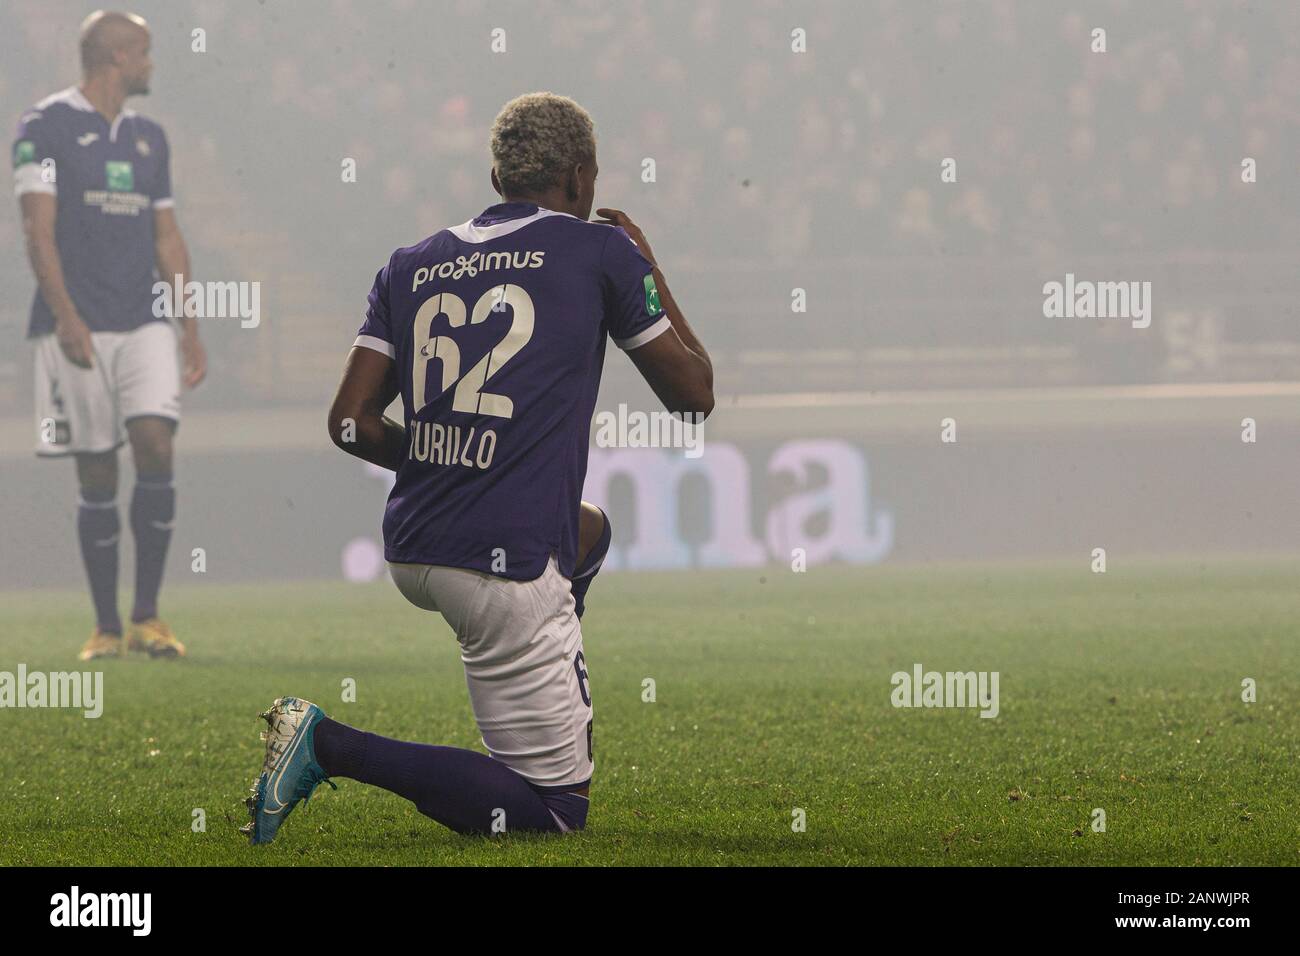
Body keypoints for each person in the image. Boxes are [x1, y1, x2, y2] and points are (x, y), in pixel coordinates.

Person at [243, 91, 712, 842]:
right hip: (502, 571)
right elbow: (695, 395)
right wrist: (649, 267)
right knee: (551, 815)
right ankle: (326, 744)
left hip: (416, 546)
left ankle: (550, 638)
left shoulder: (410, 263)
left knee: (587, 532)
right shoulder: (602, 251)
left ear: (497, 181)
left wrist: (435, 456)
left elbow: (348, 421)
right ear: (584, 177)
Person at [13, 11, 206, 661]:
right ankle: (104, 625)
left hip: (143, 319)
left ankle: (148, 616)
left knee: (154, 443)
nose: (152, 64)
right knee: (97, 468)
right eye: (145, 53)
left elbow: (167, 236)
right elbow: (37, 230)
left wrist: (189, 323)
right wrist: (67, 315)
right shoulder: (44, 127)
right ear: (118, 58)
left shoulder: (151, 138)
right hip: (76, 323)